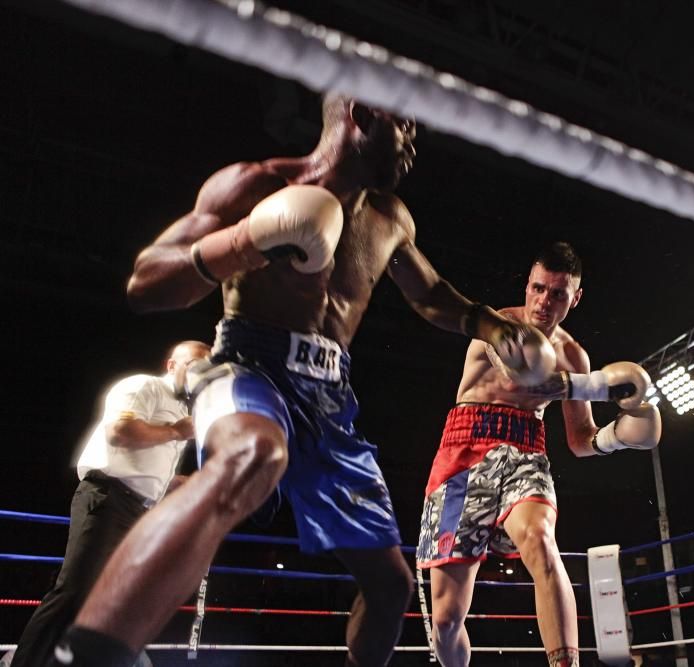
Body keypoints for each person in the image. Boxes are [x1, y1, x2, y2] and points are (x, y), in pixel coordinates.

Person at [47, 94, 552, 667]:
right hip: (248, 366)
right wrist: (242, 244)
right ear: (363, 114)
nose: (415, 139)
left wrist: (491, 325)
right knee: (252, 456)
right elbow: (144, 282)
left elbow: (430, 293)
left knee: (389, 587)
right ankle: (86, 654)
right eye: (405, 123)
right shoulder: (257, 185)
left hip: (331, 398)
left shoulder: (390, 217)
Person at [416, 242, 662, 667]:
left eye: (557, 294)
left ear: (575, 297)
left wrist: (616, 438)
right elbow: (525, 364)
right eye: (538, 288)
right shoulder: (495, 324)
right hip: (463, 449)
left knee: (541, 541)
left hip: (525, 448)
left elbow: (579, 440)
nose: (544, 301)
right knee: (446, 618)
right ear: (527, 285)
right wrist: (590, 385)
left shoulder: (574, 355)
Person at [11, 341, 209, 667]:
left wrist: (189, 484)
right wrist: (175, 431)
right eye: (194, 364)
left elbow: (148, 473)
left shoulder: (180, 413)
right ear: (172, 364)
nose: (199, 373)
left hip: (136, 514)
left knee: (120, 605)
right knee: (74, 592)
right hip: (107, 499)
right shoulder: (144, 386)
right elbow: (120, 431)